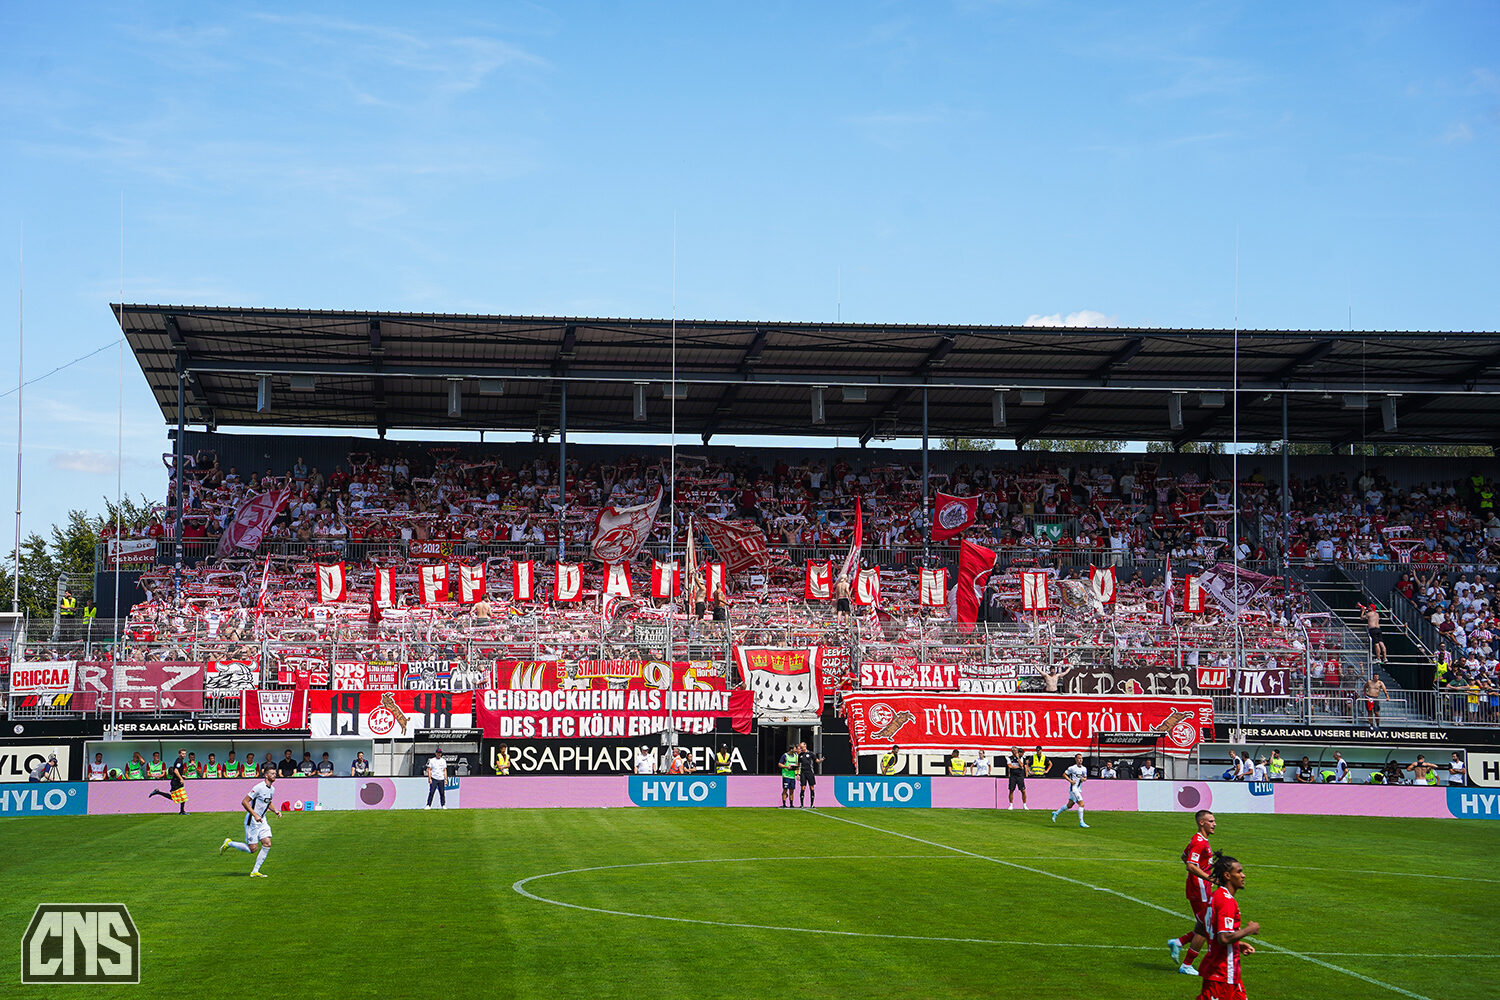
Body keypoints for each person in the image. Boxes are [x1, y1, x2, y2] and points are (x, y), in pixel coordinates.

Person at [1197, 853, 1259, 999]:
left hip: (1230, 975)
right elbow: (1223, 938)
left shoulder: (1214, 896)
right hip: (1221, 975)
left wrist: (1236, 944)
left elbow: (1200, 927)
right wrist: (1249, 930)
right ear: (1227, 876)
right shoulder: (1226, 901)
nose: (1243, 875)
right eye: (1239, 872)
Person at [1168, 809, 1216, 976]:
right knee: (1206, 927)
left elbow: (1184, 856)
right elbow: (1190, 865)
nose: (1214, 824)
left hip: (1201, 887)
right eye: (1211, 821)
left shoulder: (1198, 839)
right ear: (1201, 822)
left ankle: (1178, 942)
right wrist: (1209, 878)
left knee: (1204, 924)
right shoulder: (1199, 842)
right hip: (1199, 888)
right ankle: (1187, 965)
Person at [220, 766, 278, 877]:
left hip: (262, 819)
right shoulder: (258, 787)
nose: (274, 775)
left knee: (267, 843)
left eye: (275, 773)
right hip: (252, 820)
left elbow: (268, 802)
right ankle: (229, 843)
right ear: (266, 775)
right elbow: (245, 802)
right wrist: (255, 815)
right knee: (253, 849)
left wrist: (275, 810)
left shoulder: (272, 789)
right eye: (272, 773)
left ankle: (255, 871)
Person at [1051, 753, 1090, 828]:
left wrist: (1084, 779)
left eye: (1081, 758)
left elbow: (1085, 777)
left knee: (1069, 805)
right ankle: (1081, 822)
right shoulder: (1072, 768)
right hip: (1073, 789)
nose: (1080, 760)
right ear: (1076, 759)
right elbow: (1064, 774)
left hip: (1078, 789)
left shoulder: (1084, 769)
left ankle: (1056, 813)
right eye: (1079, 758)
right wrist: (1070, 781)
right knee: (1081, 804)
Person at [149, 750, 189, 814]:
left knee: (181, 797)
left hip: (177, 781)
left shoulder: (180, 761)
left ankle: (182, 811)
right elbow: (175, 770)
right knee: (179, 797)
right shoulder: (179, 761)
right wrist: (181, 778)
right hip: (176, 782)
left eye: (185, 754)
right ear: (179, 754)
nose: (184, 755)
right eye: (182, 754)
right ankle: (182, 811)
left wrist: (182, 776)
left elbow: (177, 771)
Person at [797, 741, 824, 807]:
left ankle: (812, 804)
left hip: (810, 772)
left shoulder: (811, 753)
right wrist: (797, 774)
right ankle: (801, 804)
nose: (801, 748)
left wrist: (820, 760)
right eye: (800, 747)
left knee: (811, 787)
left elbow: (817, 761)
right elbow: (798, 765)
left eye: (802, 747)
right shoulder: (800, 755)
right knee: (803, 787)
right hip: (803, 773)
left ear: (805, 746)